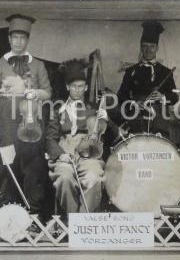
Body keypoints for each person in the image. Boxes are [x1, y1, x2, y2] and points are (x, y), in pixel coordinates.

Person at [0, 13, 51, 219]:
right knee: (8, 164)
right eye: (15, 37)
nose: (19, 42)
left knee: (34, 165)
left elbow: (48, 93)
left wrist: (35, 93)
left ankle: (34, 211)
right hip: (5, 120)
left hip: (30, 118)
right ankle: (10, 212)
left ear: (28, 40)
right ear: (9, 38)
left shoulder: (38, 65)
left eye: (23, 38)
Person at [46, 59, 124, 216]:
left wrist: (108, 121)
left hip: (89, 155)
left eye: (81, 86)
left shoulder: (94, 109)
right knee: (64, 178)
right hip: (65, 154)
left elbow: (116, 137)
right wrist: (61, 155)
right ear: (67, 87)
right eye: (73, 86)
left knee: (94, 178)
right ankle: (73, 219)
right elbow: (49, 138)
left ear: (86, 87)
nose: (77, 90)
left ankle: (83, 223)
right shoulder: (57, 109)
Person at [115, 20, 180, 143]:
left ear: (157, 48)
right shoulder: (131, 71)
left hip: (160, 120)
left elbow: (175, 98)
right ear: (140, 47)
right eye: (145, 46)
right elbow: (120, 96)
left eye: (152, 46)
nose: (148, 50)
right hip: (137, 118)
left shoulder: (166, 72)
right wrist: (134, 103)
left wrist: (162, 97)